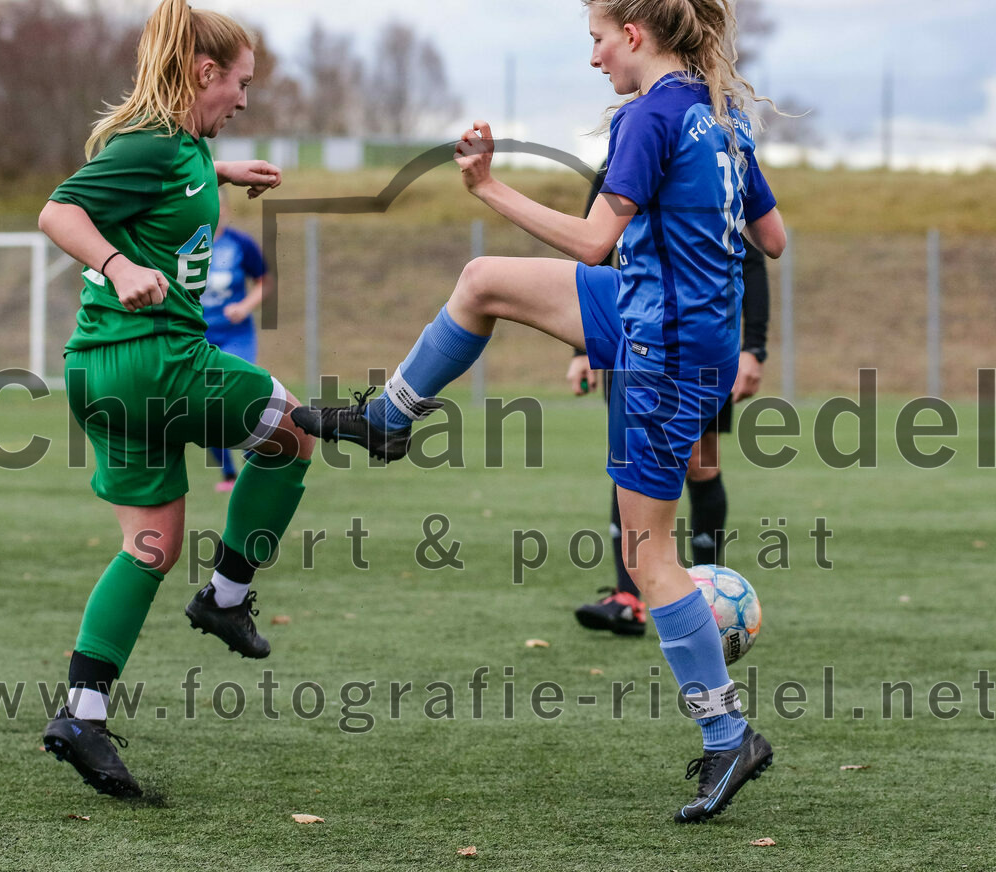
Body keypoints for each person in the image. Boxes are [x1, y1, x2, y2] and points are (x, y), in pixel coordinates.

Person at [294, 0, 786, 823]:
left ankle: (727, 732)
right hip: (666, 315)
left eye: (596, 39)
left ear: (634, 35)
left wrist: (488, 186)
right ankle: (390, 416)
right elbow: (770, 237)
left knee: (647, 554)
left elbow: (594, 241)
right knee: (484, 281)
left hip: (661, 348)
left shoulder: (650, 116)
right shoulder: (719, 119)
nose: (593, 57)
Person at [37, 0, 315, 799]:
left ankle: (82, 714)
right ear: (204, 74)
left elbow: (166, 173)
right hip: (152, 358)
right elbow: (62, 210)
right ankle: (227, 597)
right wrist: (121, 267)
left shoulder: (184, 145)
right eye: (241, 83)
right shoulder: (157, 142)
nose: (246, 99)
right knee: (294, 431)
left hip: (103, 373)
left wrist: (221, 172)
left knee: (151, 545)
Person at [572, 222, 770, 637]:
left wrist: (753, 347)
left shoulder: (715, 159)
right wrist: (580, 347)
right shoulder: (614, 166)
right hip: (634, 337)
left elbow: (753, 255)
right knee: (630, 453)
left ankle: (709, 595)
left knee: (701, 461)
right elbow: (591, 245)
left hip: (701, 339)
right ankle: (628, 599)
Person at [201, 188, 268, 492]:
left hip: (236, 336)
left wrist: (245, 306)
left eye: (218, 206)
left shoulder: (241, 245)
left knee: (238, 396)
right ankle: (229, 475)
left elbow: (265, 283)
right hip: (198, 337)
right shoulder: (184, 246)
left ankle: (255, 459)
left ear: (226, 210)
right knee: (207, 405)